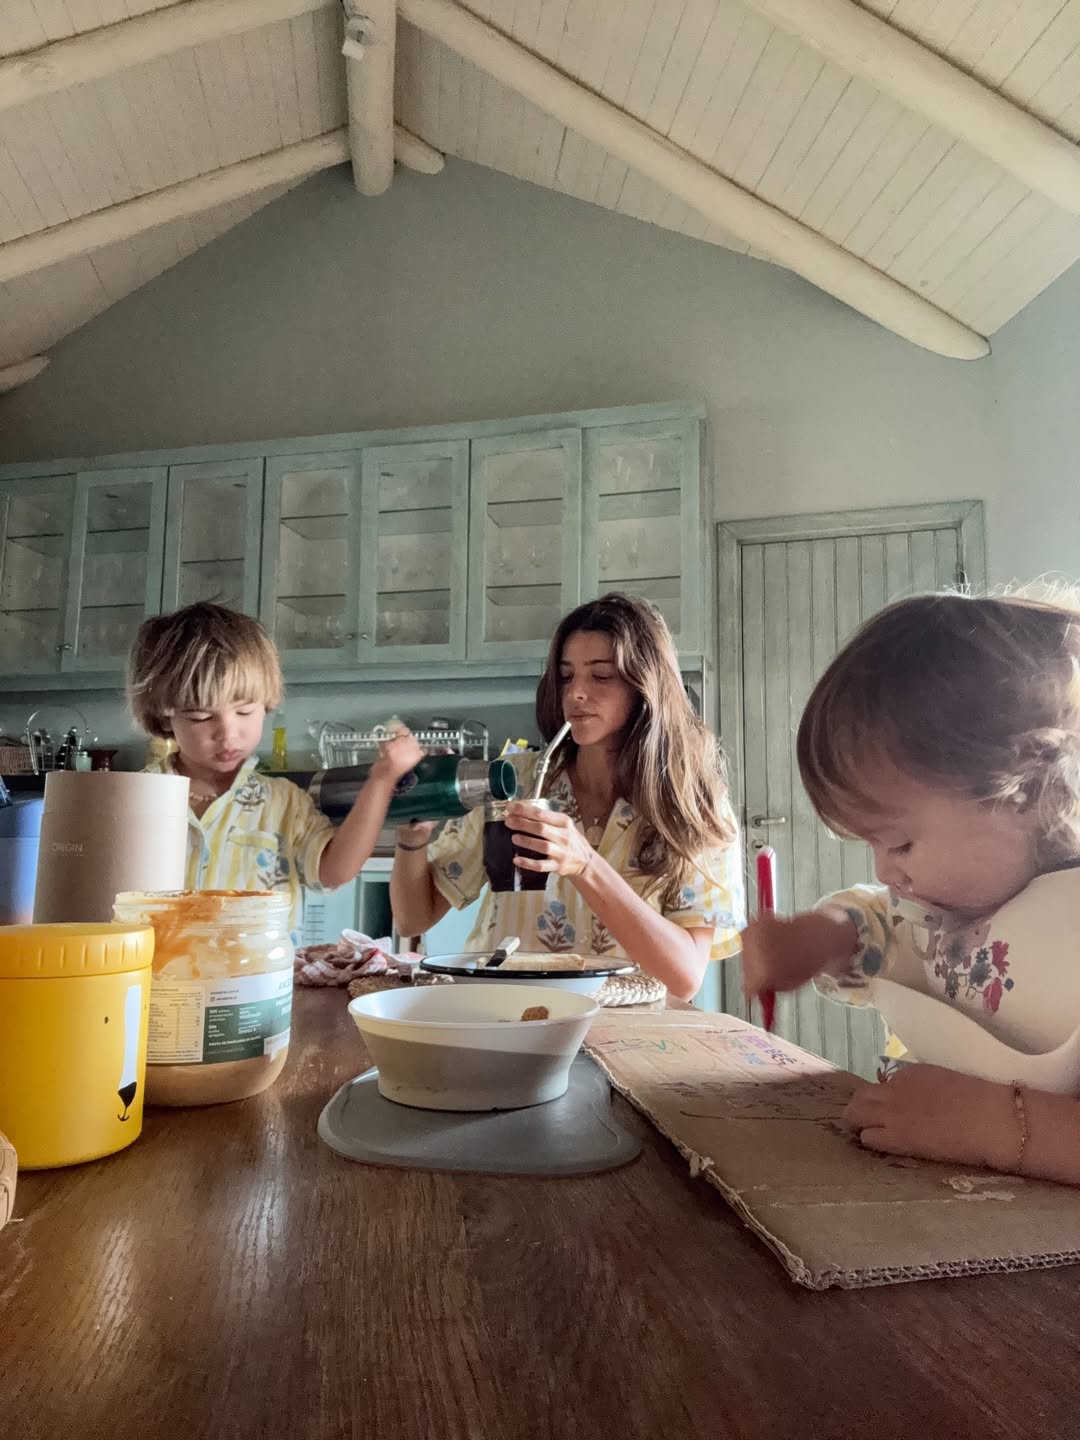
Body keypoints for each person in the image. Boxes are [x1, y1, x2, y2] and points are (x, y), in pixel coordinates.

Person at [741, 590, 1080, 1187]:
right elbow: (890, 927)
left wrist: (996, 1126)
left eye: (899, 844)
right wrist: (824, 939)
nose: (885, 872)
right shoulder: (953, 901)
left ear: (1026, 790)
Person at [390, 593, 744, 1001]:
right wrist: (412, 832)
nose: (576, 693)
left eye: (600, 676)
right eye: (566, 676)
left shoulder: (692, 804)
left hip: (620, 1034)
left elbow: (684, 977)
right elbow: (414, 917)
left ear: (644, 685)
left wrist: (585, 864)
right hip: (501, 1019)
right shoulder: (513, 780)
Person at [127, 602, 423, 937]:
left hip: (259, 985)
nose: (228, 733)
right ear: (166, 714)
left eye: (244, 712)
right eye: (201, 716)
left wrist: (381, 779)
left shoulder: (283, 803)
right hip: (156, 985)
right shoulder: (131, 799)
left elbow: (334, 871)